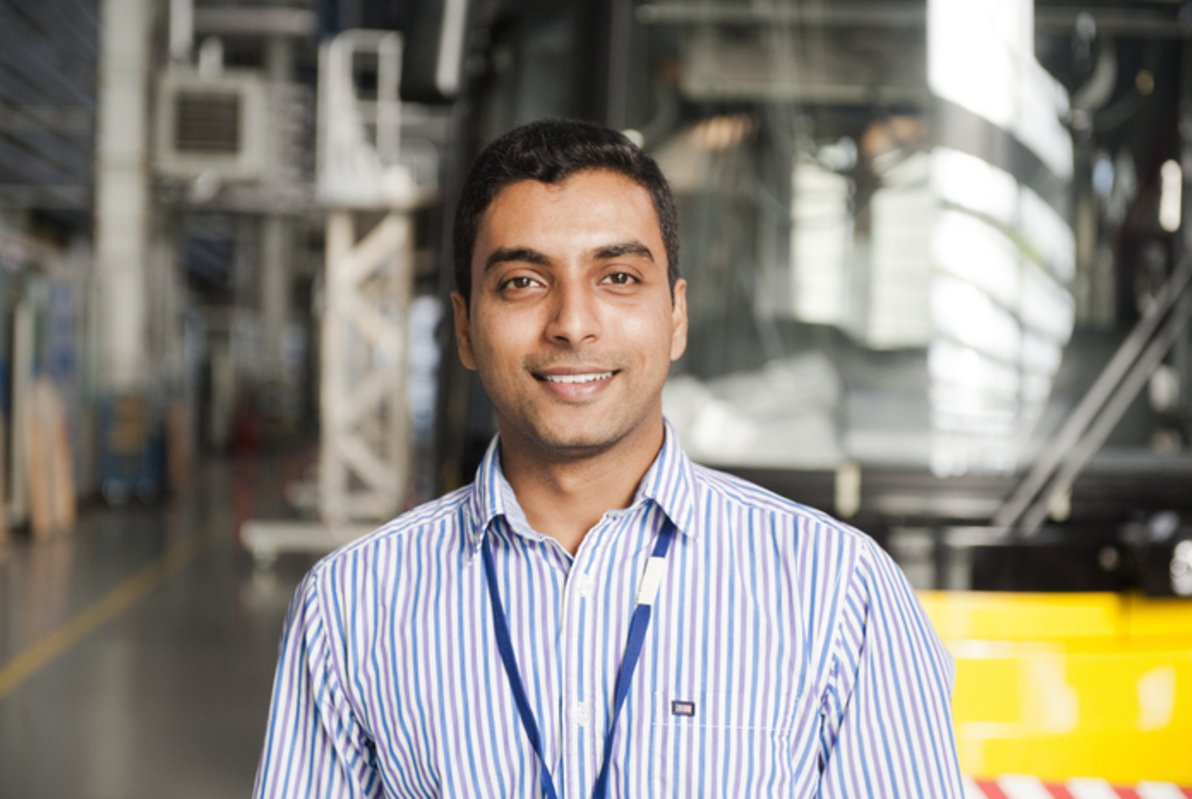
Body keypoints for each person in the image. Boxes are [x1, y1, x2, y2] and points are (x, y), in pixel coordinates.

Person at [253, 118, 963, 798]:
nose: (573, 324)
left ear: (676, 316)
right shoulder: (351, 606)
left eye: (618, 277)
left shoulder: (839, 593)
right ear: (464, 329)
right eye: (523, 281)